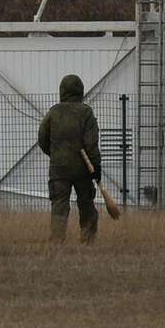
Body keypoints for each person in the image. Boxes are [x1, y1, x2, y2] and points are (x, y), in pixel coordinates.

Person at [36, 73, 101, 244]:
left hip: (59, 168)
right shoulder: (86, 112)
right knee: (86, 204)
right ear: (80, 91)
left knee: (59, 205)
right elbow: (92, 143)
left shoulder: (53, 112)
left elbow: (42, 138)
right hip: (83, 168)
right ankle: (88, 240)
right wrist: (96, 166)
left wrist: (55, 153)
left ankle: (57, 241)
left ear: (62, 91)